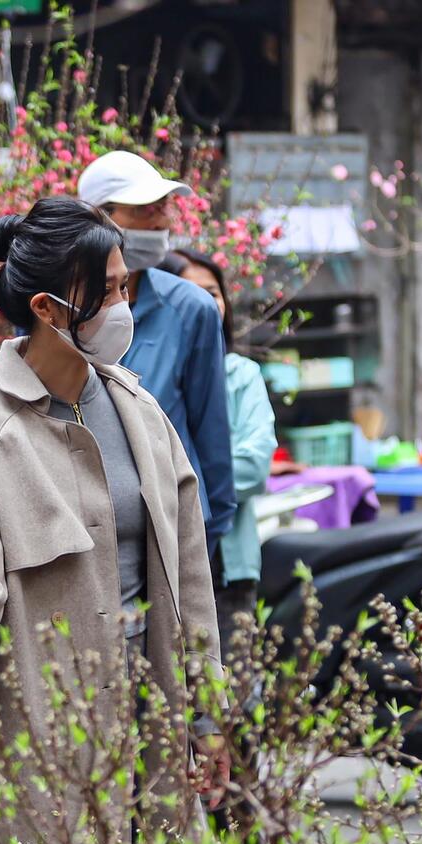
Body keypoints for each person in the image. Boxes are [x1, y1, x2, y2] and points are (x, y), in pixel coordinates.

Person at [0, 197, 223, 844]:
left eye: (125, 286)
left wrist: (206, 715)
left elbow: (190, 573)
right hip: (43, 735)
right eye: (112, 290)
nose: (125, 305)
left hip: (153, 717)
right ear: (47, 308)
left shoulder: (137, 408)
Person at [77, 152, 237, 623]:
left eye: (165, 207)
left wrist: (210, 525)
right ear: (100, 218)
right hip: (87, 525)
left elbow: (211, 430)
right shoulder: (59, 308)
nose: (162, 220)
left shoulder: (191, 308)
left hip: (172, 520)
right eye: (145, 210)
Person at [166, 248, 279, 643]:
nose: (206, 303)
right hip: (161, 565)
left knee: (233, 694)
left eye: (213, 292)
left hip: (228, 565)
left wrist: (172, 479)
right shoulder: (147, 375)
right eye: (190, 291)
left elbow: (252, 469)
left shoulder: (241, 375)